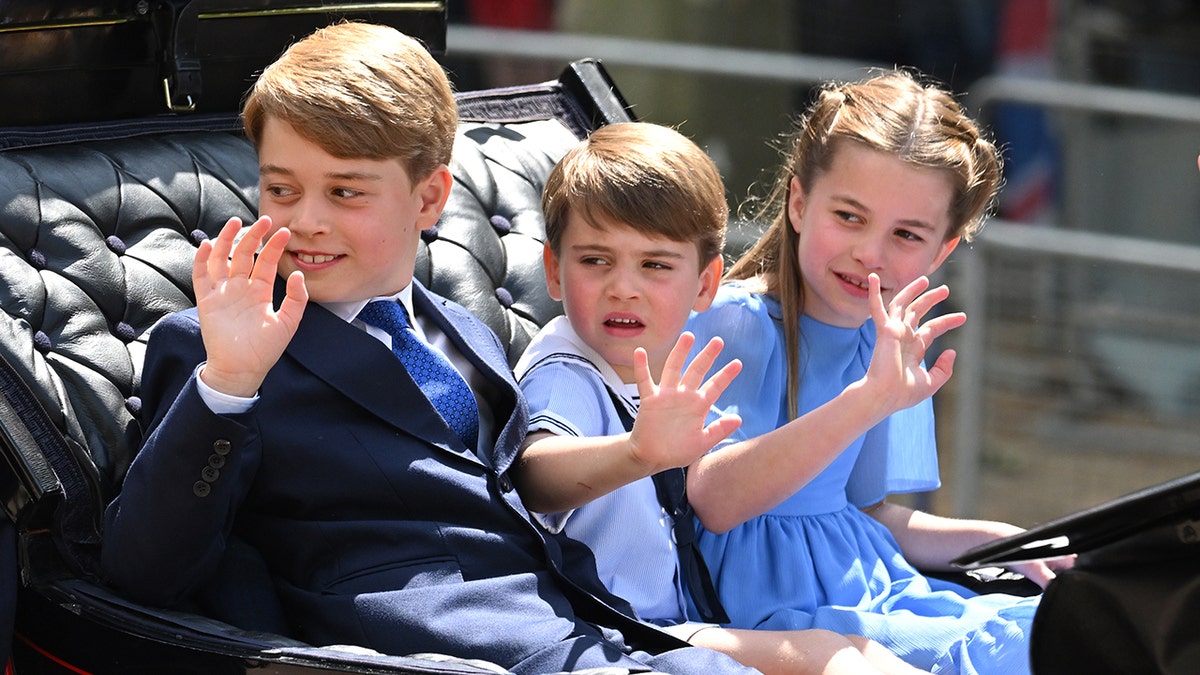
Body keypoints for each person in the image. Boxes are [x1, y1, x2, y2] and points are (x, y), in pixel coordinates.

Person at [98, 22, 759, 675]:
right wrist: (229, 383)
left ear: (430, 198)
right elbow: (144, 570)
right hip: (427, 648)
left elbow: (513, 496)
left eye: (344, 190)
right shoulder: (217, 347)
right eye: (281, 188)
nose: (306, 219)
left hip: (579, 622)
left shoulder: (466, 331)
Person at [513, 121, 961, 674]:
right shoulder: (568, 364)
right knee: (838, 660)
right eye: (595, 260)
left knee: (855, 656)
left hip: (679, 617)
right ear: (554, 271)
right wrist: (636, 452)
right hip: (615, 627)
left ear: (704, 284)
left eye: (653, 265)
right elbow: (531, 475)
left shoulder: (659, 363)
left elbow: (863, 508)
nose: (623, 286)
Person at [681, 69, 1074, 675]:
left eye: (907, 234)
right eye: (850, 216)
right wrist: (867, 400)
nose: (871, 253)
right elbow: (713, 501)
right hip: (786, 616)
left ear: (942, 251)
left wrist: (997, 540)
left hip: (880, 592)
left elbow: (868, 513)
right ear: (798, 203)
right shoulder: (729, 321)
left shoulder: (892, 339)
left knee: (1066, 623)